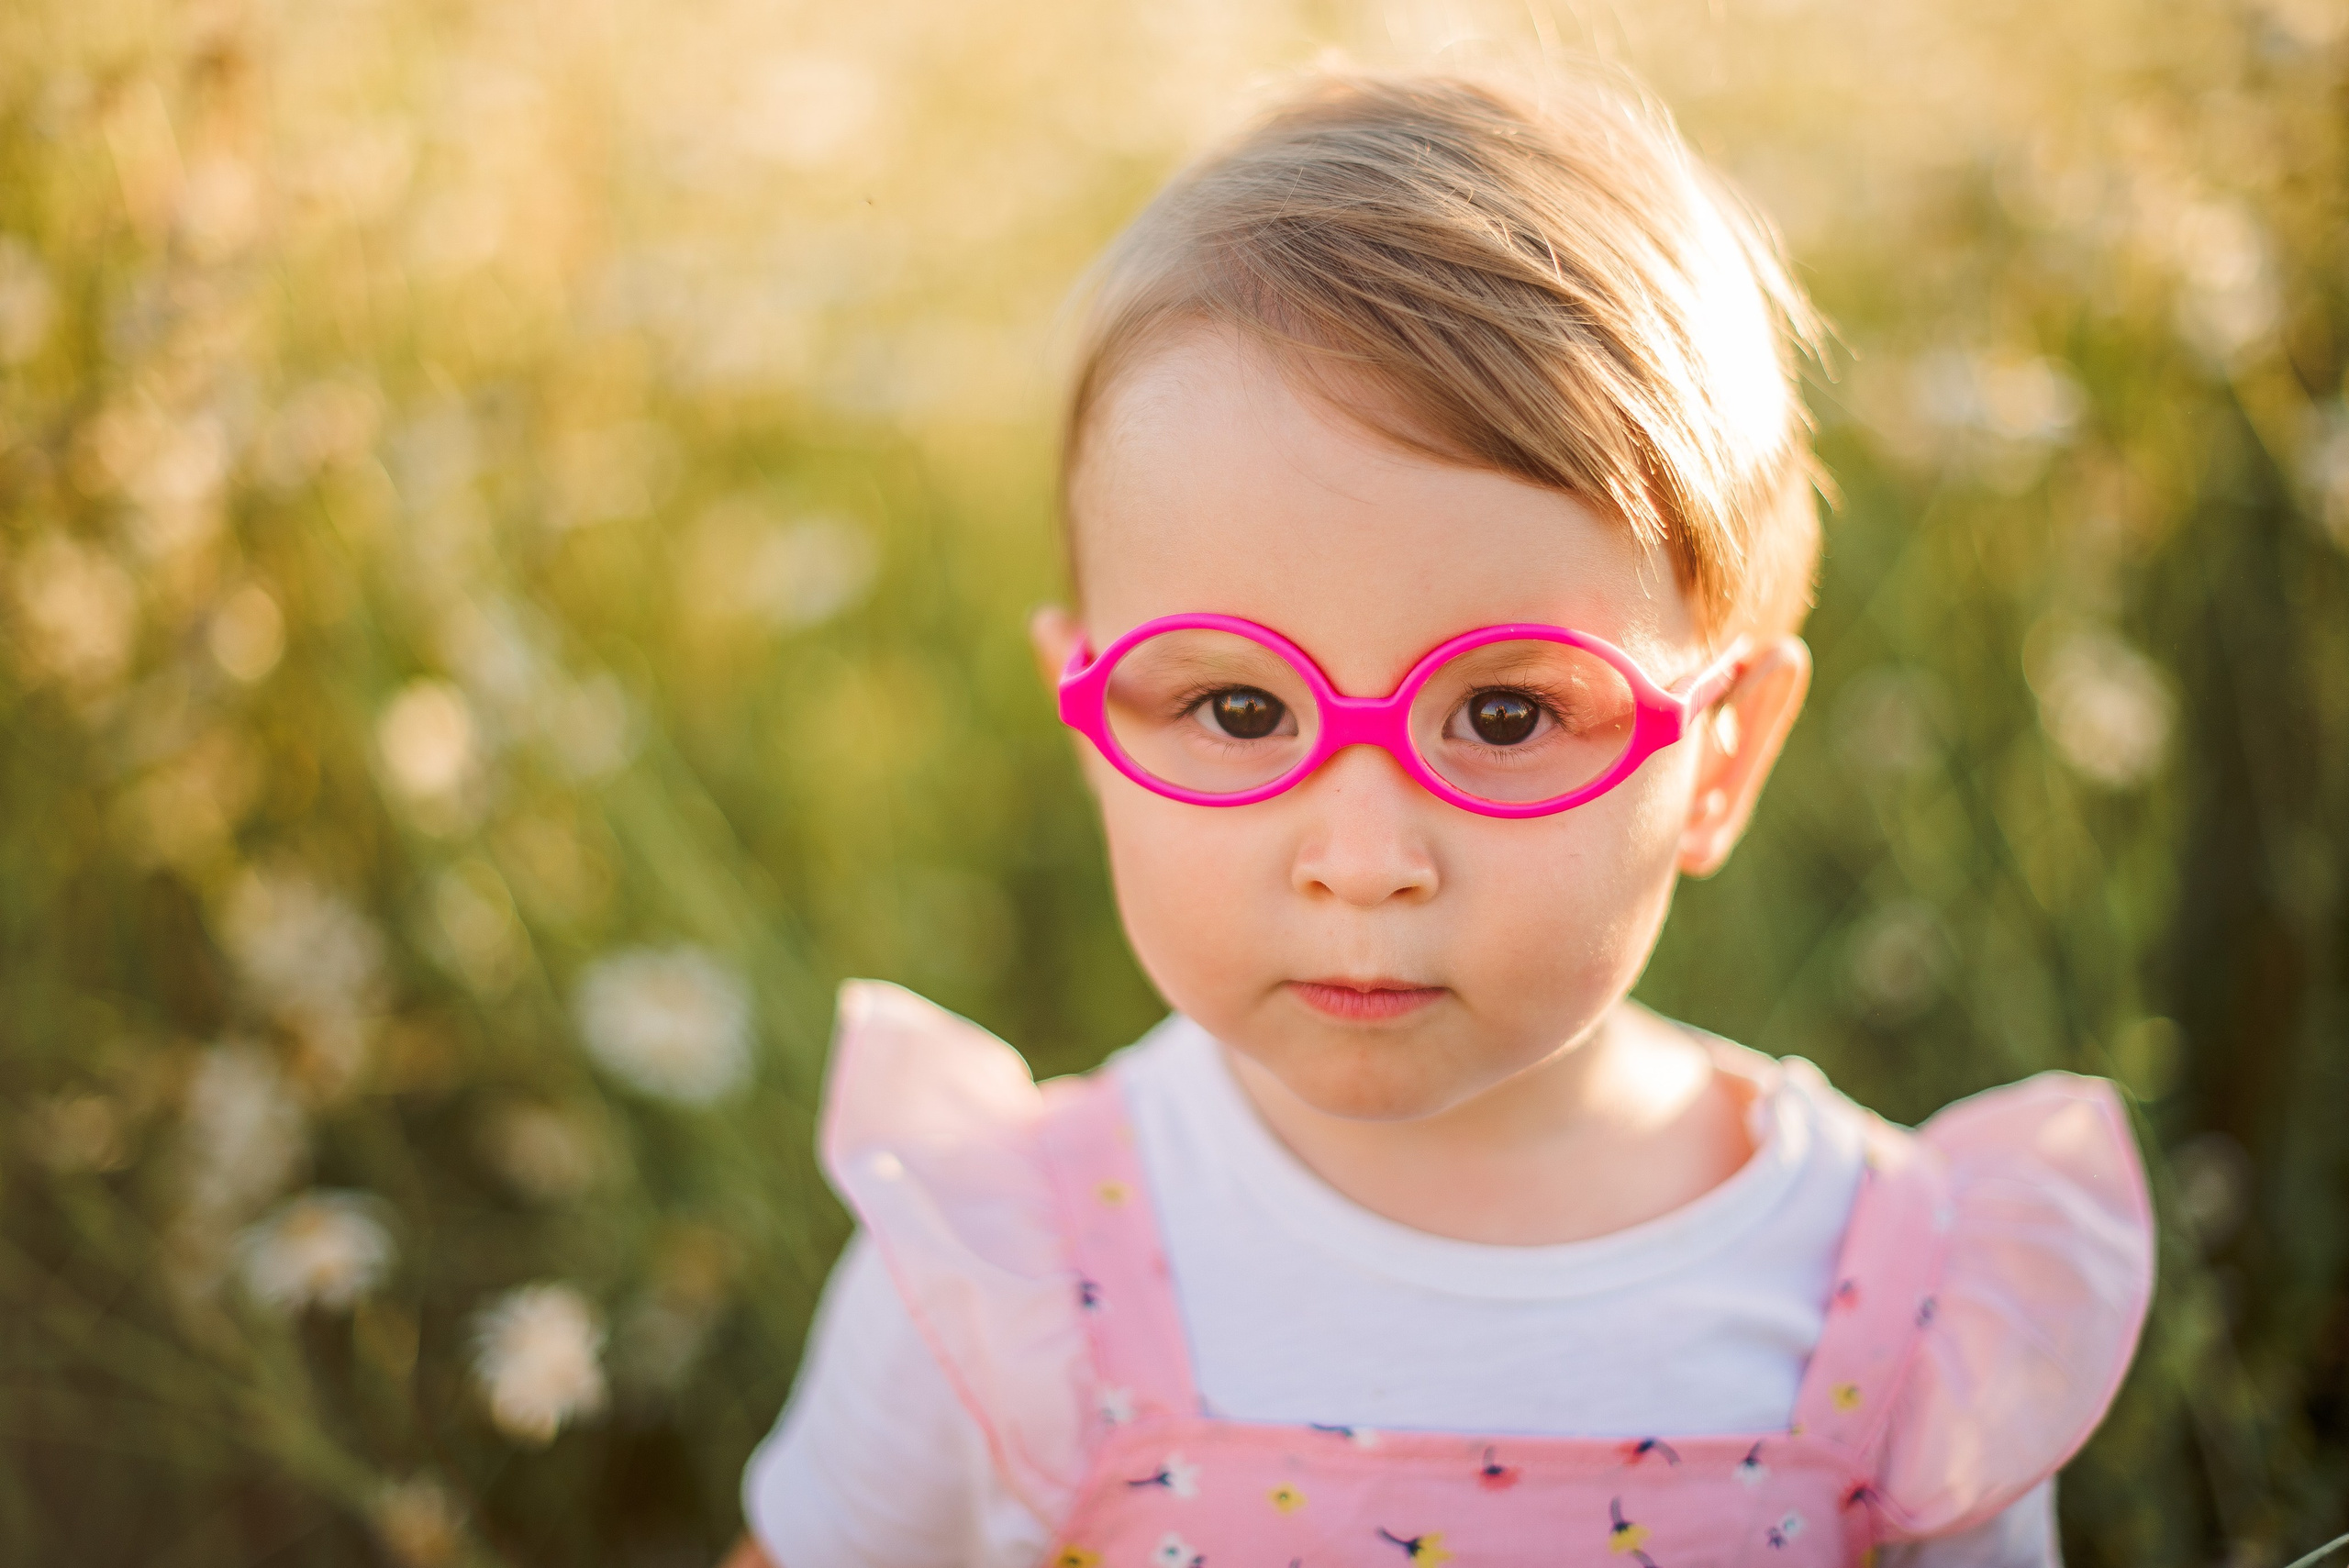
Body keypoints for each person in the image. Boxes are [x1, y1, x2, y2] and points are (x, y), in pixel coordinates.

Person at [724, 67, 2154, 1568]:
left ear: (1724, 755)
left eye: (1506, 716)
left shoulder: (1907, 1315)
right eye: (1238, 709)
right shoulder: (1003, 1277)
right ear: (1088, 714)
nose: (1364, 862)